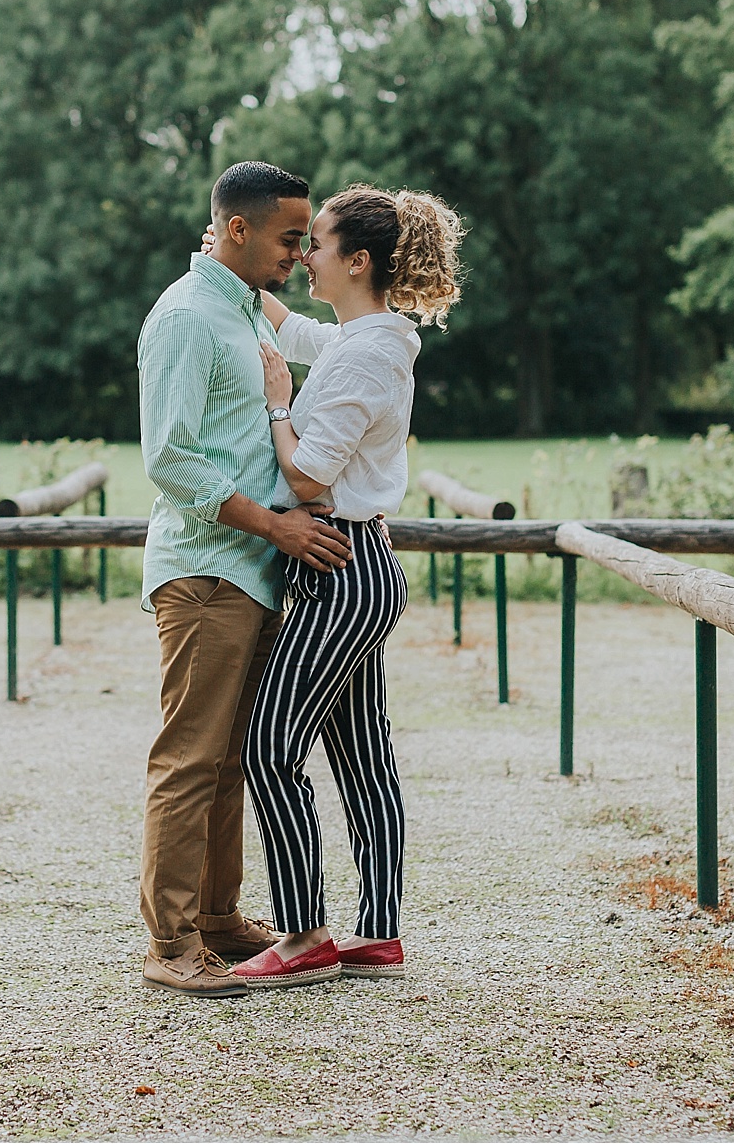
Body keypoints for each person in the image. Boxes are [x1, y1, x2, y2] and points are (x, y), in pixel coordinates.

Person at [216, 183, 467, 989]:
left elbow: (311, 472)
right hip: (354, 562)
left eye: (315, 244)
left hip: (342, 570)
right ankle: (380, 934)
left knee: (269, 746)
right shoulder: (367, 338)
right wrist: (226, 257)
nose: (303, 256)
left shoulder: (369, 351)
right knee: (362, 758)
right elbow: (292, 330)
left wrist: (279, 407)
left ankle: (302, 935)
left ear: (357, 261)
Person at [135, 160, 356, 998]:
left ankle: (220, 918)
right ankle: (168, 939)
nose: (301, 255)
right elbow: (169, 459)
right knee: (190, 759)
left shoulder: (239, 311)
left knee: (230, 759)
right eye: (290, 238)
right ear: (237, 230)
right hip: (206, 569)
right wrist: (274, 525)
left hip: (256, 571)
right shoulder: (188, 319)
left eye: (307, 241)